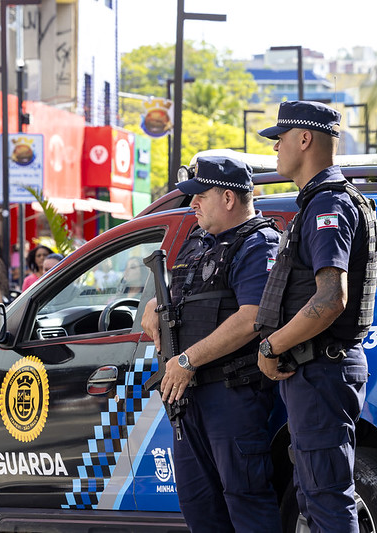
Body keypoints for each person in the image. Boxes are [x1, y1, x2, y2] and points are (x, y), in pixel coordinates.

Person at [254, 101, 377, 533]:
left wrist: (272, 345)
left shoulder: (329, 204)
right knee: (313, 495)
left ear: (304, 139)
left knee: (326, 497)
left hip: (321, 367)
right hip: (313, 369)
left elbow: (330, 298)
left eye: (279, 139)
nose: (275, 149)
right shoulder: (319, 201)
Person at [140, 155, 281, 533]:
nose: (193, 203)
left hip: (232, 395)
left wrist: (187, 360)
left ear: (229, 198)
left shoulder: (259, 244)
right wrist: (156, 305)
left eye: (200, 195)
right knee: (198, 504)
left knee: (245, 500)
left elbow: (252, 316)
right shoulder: (198, 241)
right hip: (190, 400)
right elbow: (182, 295)